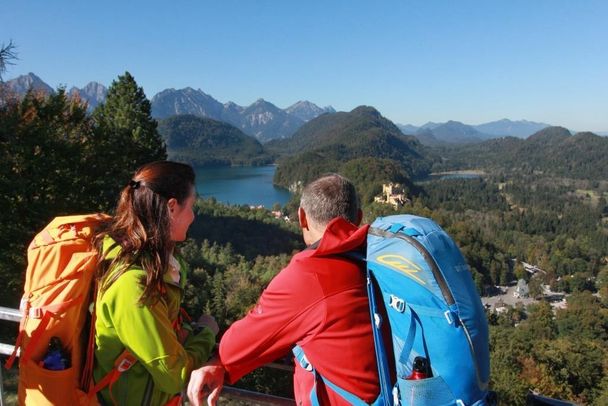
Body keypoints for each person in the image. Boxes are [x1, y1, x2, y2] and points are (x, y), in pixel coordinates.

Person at [187, 174, 380, 405]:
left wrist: (217, 361)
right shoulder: (377, 259)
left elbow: (239, 344)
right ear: (357, 218)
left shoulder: (310, 274)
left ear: (302, 218)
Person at [93, 161, 218, 405]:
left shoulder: (157, 265)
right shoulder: (132, 284)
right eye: (191, 206)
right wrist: (206, 333)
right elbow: (173, 375)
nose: (193, 216)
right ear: (172, 207)